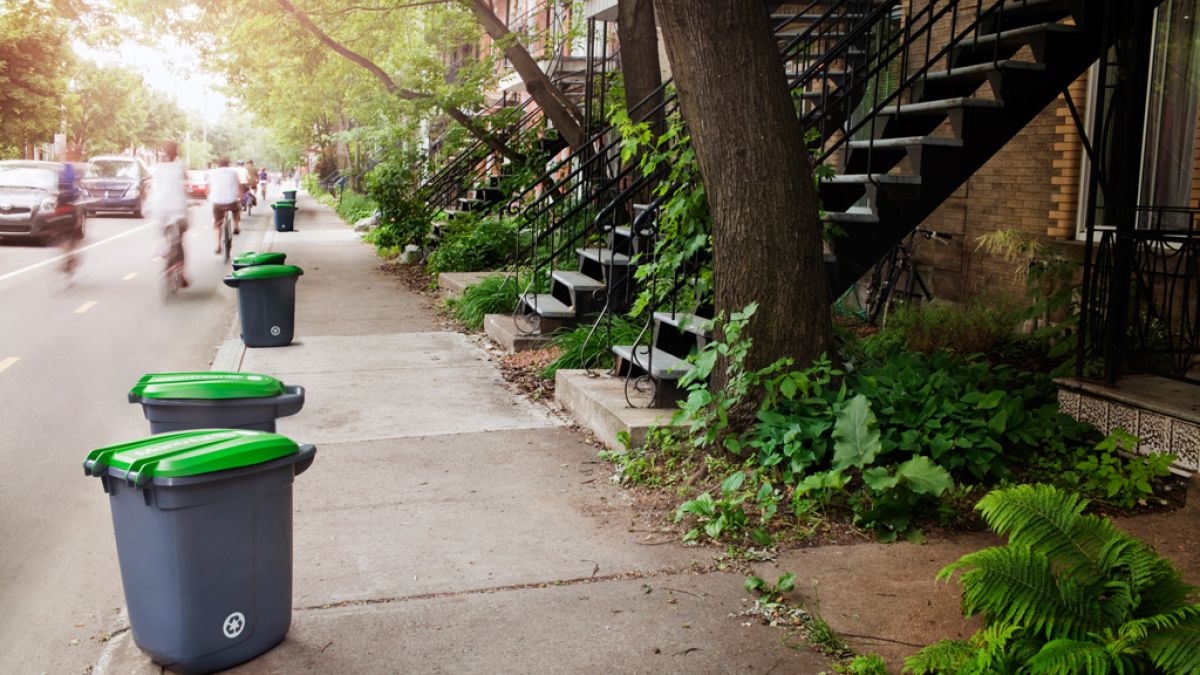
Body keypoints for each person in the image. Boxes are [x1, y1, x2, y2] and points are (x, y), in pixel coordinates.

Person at [146, 141, 190, 286]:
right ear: (176, 154)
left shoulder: (157, 169)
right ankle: (182, 274)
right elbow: (185, 187)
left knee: (162, 234)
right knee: (180, 241)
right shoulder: (180, 168)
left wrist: (148, 206)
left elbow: (152, 188)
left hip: (159, 209)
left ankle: (162, 249)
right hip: (178, 209)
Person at [208, 157, 241, 253]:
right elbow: (239, 186)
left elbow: (208, 187)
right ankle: (236, 225)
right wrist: (241, 197)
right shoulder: (233, 172)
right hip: (231, 200)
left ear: (218, 164)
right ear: (228, 163)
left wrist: (209, 197)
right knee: (236, 209)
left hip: (217, 201)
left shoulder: (212, 173)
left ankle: (217, 245)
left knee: (217, 224)